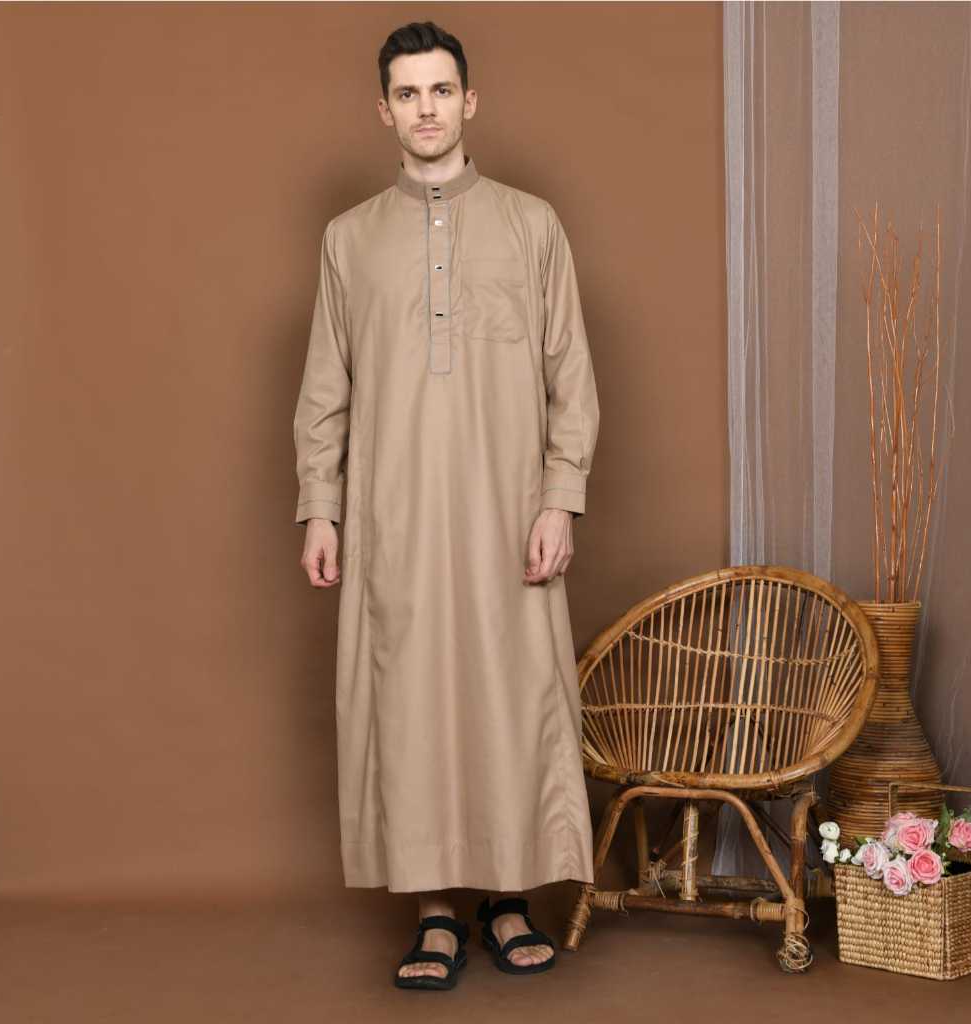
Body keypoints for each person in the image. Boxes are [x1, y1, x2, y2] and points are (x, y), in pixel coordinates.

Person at [292, 20, 600, 990]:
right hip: (394, 519)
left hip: (508, 515)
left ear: (470, 101)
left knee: (511, 697)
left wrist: (560, 499)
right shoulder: (349, 240)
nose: (425, 109)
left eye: (440, 90)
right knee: (409, 703)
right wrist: (321, 507)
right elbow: (325, 387)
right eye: (406, 93)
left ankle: (508, 899)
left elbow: (571, 378)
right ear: (383, 111)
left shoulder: (532, 224)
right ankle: (432, 912)